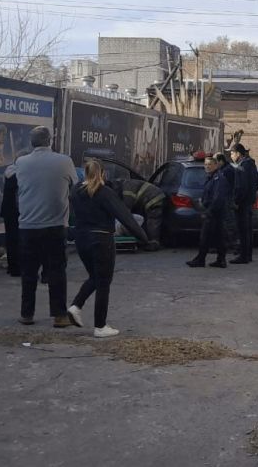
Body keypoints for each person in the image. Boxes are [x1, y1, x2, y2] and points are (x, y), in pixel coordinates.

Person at [67, 161, 150, 338]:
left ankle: (76, 306)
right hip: (101, 239)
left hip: (81, 239)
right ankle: (100, 325)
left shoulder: (75, 191)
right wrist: (144, 237)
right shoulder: (104, 192)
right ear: (102, 173)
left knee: (95, 277)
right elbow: (124, 215)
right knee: (104, 281)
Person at [15, 126, 78, 328]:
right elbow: (74, 185)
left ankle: (27, 314)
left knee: (29, 272)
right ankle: (59, 316)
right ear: (50, 141)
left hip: (27, 225)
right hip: (56, 225)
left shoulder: (21, 163)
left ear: (32, 143)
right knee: (57, 271)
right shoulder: (64, 161)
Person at [186, 156, 231, 268]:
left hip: (215, 212)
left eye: (209, 164)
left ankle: (201, 259)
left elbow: (218, 198)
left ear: (216, 165)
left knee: (205, 237)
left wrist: (210, 211)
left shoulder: (218, 178)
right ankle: (220, 260)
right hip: (212, 211)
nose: (207, 166)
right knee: (218, 237)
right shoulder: (211, 177)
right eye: (206, 164)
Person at [229, 143, 258, 264]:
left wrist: (236, 200)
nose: (231, 156)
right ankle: (248, 255)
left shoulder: (241, 166)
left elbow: (240, 187)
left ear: (238, 153)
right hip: (249, 202)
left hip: (242, 203)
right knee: (248, 230)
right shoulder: (251, 165)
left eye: (232, 153)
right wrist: (251, 193)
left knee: (242, 230)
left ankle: (243, 256)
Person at [0, 150, 29, 277]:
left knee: (10, 240)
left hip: (7, 211)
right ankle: (18, 268)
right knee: (19, 240)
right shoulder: (20, 174)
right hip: (18, 211)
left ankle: (11, 266)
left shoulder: (9, 172)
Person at [117, 178, 165, 246]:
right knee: (149, 221)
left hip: (154, 199)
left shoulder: (127, 189)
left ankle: (154, 243)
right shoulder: (127, 184)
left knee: (153, 221)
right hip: (153, 196)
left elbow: (127, 211)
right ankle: (148, 240)